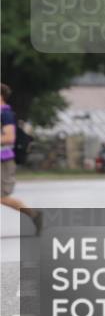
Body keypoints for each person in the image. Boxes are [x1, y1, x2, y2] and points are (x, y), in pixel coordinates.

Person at [1, 84, 43, 235]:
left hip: (3, 161)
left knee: (2, 198)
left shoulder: (5, 114)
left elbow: (9, 137)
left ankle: (34, 215)